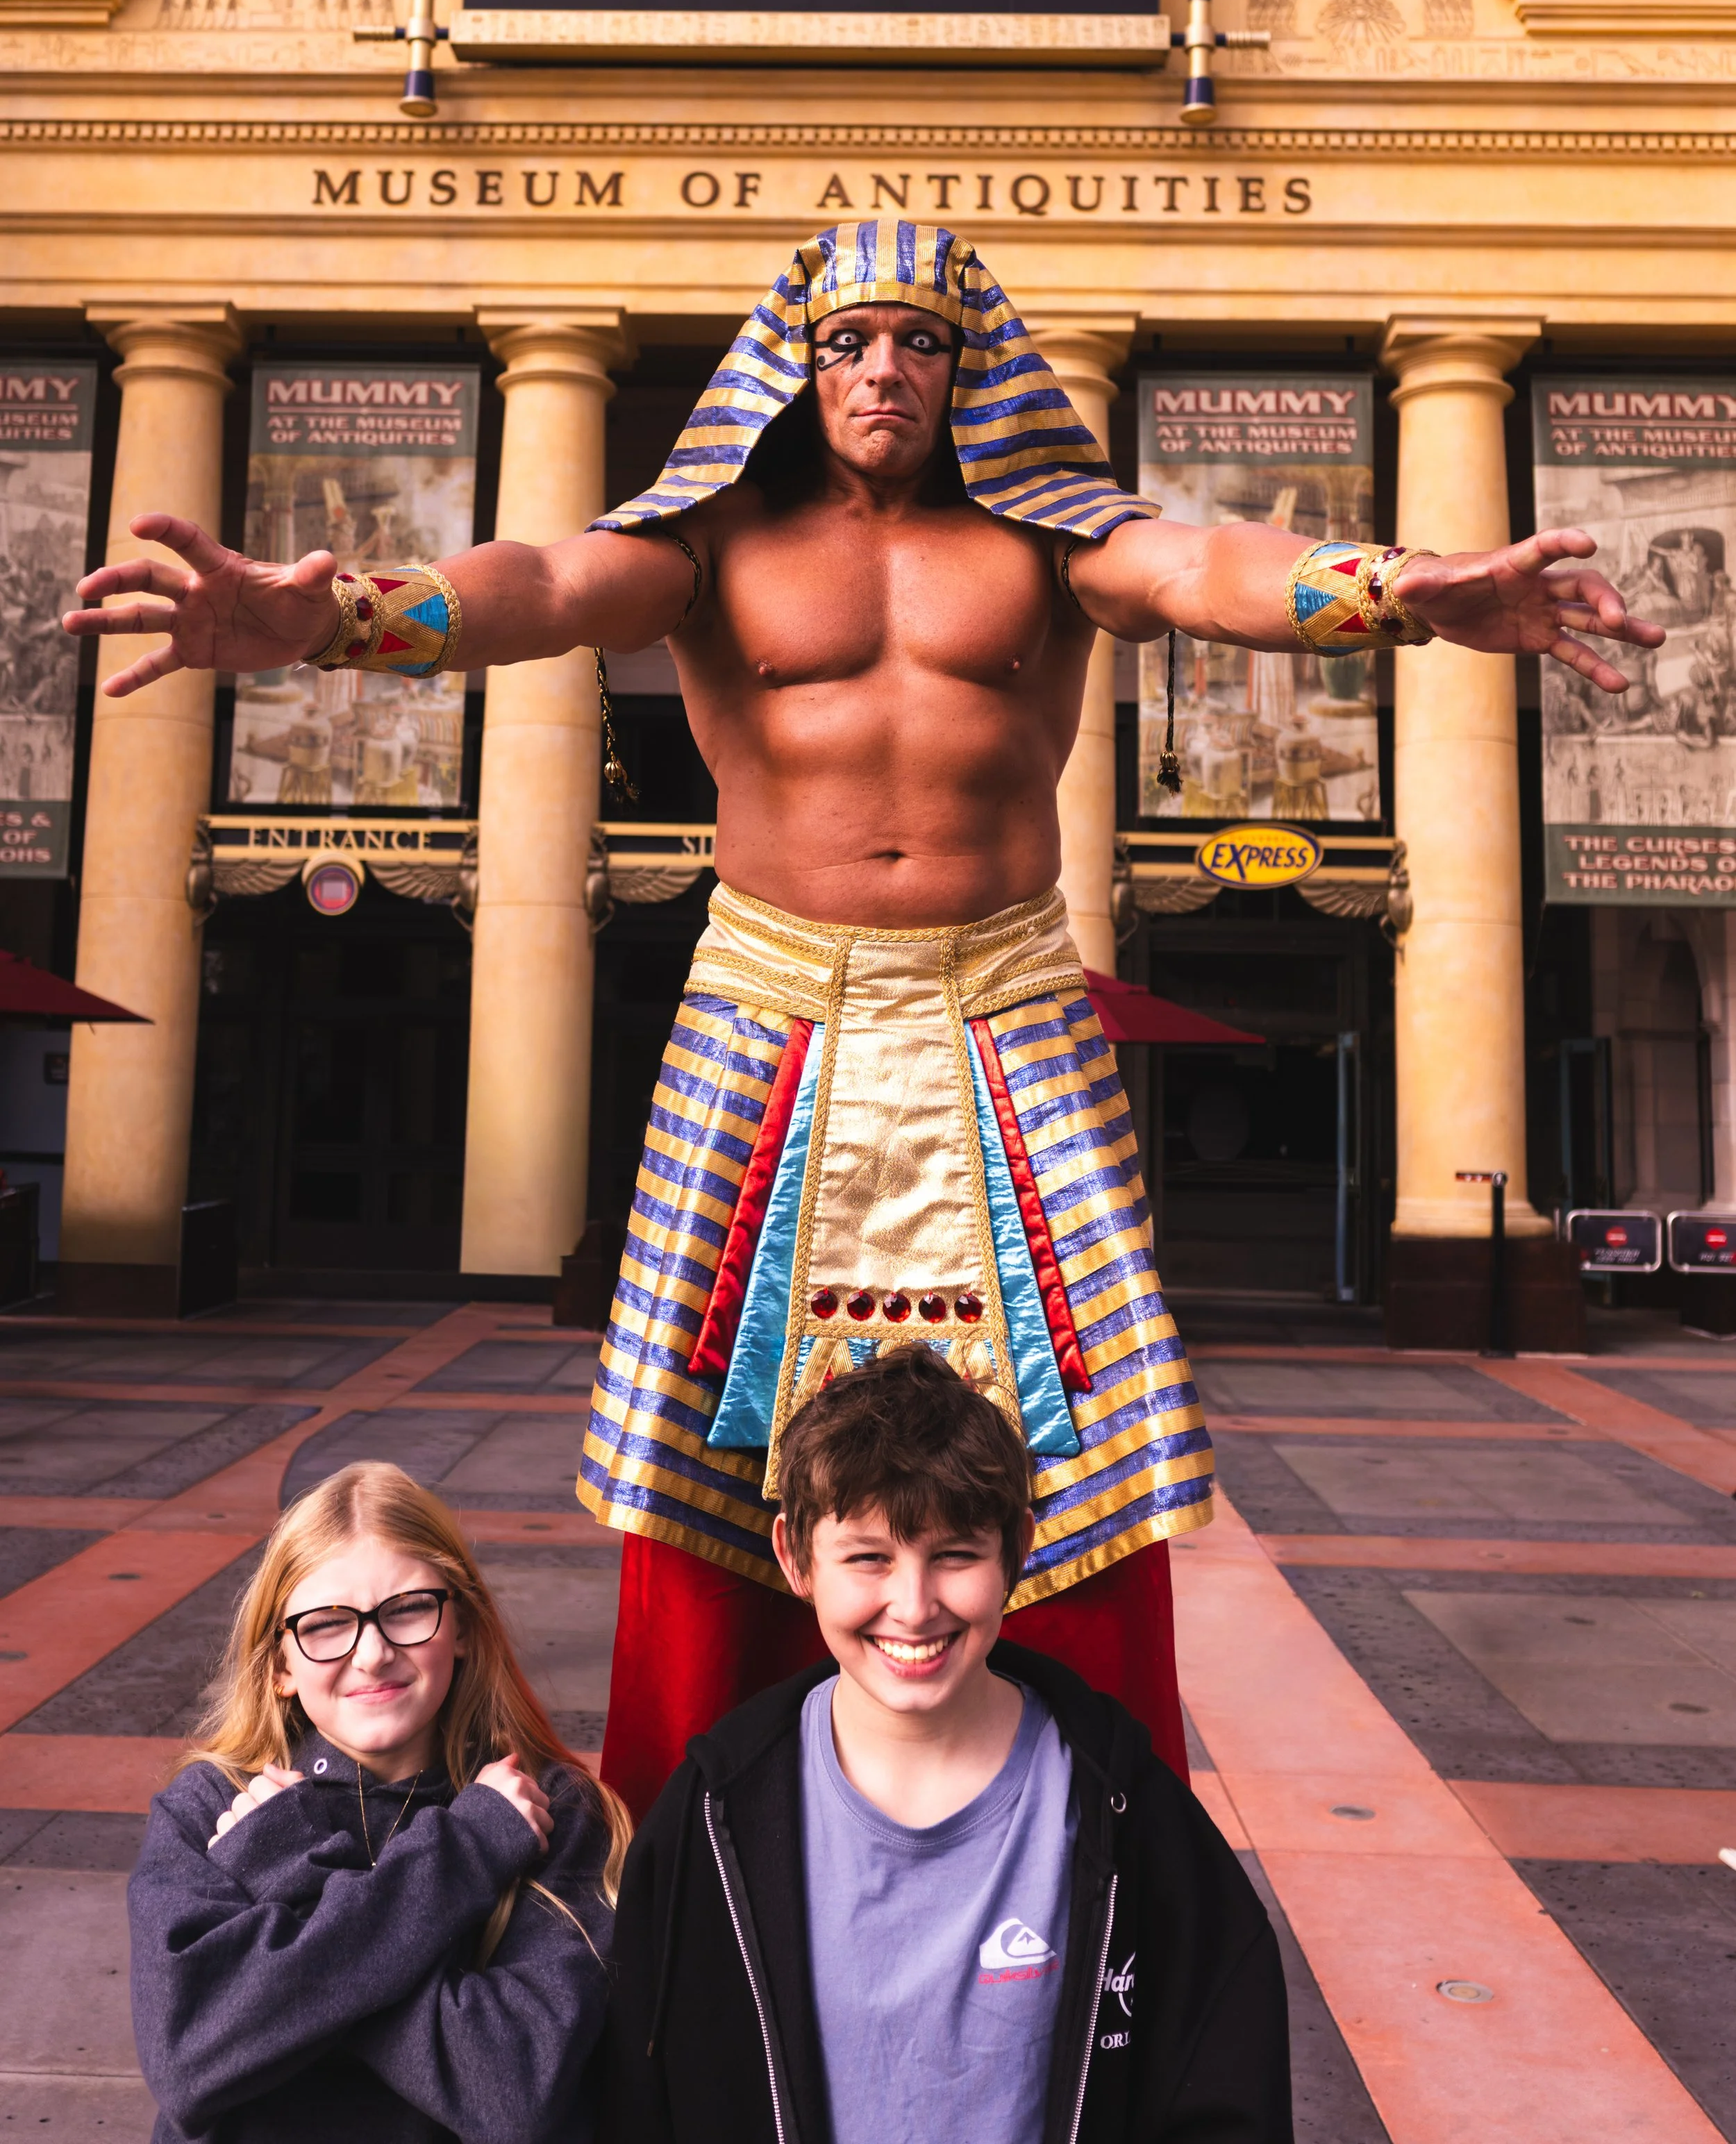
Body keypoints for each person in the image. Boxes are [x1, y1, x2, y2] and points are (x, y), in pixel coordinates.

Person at [67, 219, 1664, 1822]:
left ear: (967, 368)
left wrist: (1405, 590)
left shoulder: (1047, 536)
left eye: (916, 340)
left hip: (1009, 1012)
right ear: (795, 364)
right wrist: (343, 615)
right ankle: (690, 1854)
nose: (881, 368)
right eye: (846, 341)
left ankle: (1099, 1851)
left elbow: (1200, 569)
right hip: (767, 1009)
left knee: (1079, 1441)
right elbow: (542, 584)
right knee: (709, 1444)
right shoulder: (710, 538)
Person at [603, 1346, 1292, 2144]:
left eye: (955, 1555)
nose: (913, 1604)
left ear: (1017, 1551)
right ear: (795, 1556)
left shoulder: (1125, 1806)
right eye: (868, 1557)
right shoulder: (713, 1814)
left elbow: (1223, 2076)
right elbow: (637, 2089)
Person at [127, 1461, 628, 2144]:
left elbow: (512, 2089)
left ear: (465, 1627)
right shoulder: (214, 1809)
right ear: (279, 1663)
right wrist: (466, 1853)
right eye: (327, 1623)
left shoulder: (545, 1808)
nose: (372, 1652)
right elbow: (192, 2061)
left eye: (409, 1609)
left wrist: (296, 1884)